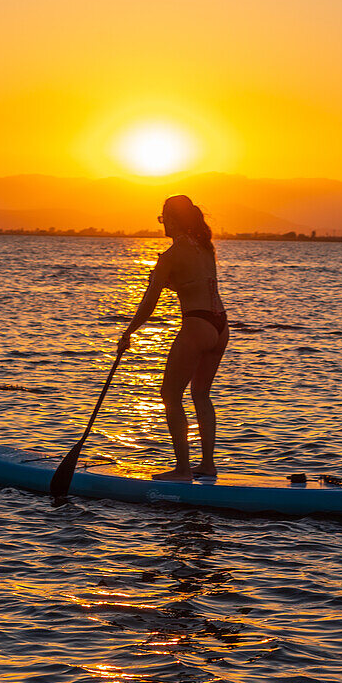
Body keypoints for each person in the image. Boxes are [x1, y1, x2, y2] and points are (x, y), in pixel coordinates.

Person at [118, 195, 229, 482]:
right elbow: (193, 284)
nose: (162, 222)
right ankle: (207, 465)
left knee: (170, 395)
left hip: (197, 325)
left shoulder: (170, 255)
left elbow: (148, 303)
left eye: (164, 217)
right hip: (220, 326)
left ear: (175, 219)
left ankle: (182, 470)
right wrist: (170, 282)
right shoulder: (206, 247)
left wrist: (128, 332)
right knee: (201, 394)